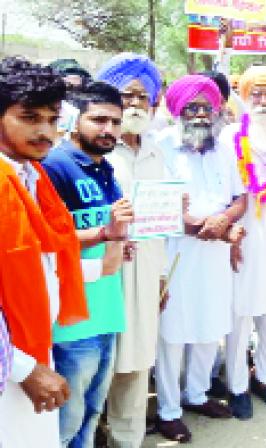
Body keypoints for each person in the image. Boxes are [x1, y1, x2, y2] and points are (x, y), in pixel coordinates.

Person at [0, 56, 88, 448]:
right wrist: (23, 369)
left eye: (52, 119)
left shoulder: (32, 176)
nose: (45, 131)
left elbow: (41, 265)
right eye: (29, 117)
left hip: (34, 352)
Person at [40, 81, 134, 448]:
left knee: (91, 414)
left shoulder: (106, 168)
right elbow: (45, 240)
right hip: (70, 319)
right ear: (74, 119)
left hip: (106, 308)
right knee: (65, 421)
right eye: (98, 120)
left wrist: (119, 242)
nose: (108, 129)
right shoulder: (55, 166)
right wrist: (104, 233)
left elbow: (106, 232)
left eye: (115, 121)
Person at [154, 75, 246, 443]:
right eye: (191, 107)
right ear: (177, 110)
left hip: (215, 257)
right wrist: (210, 228)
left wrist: (225, 220)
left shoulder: (224, 149)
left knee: (211, 326)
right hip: (174, 253)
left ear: (215, 110)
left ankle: (196, 395)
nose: (199, 114)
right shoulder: (161, 147)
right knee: (172, 334)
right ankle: (168, 410)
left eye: (205, 107)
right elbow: (157, 205)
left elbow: (241, 198)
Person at [96, 52, 166, 448]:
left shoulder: (159, 152)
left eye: (143, 96)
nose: (136, 103)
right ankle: (93, 433)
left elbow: (163, 221)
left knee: (138, 362)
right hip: (105, 274)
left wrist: (159, 276)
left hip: (146, 271)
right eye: (128, 95)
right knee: (100, 362)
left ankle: (128, 438)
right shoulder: (95, 153)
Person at [220, 65, 266, 420]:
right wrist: (228, 233)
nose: (264, 100)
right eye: (257, 94)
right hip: (245, 239)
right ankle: (237, 386)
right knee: (240, 316)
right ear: (246, 97)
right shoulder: (230, 137)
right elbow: (225, 193)